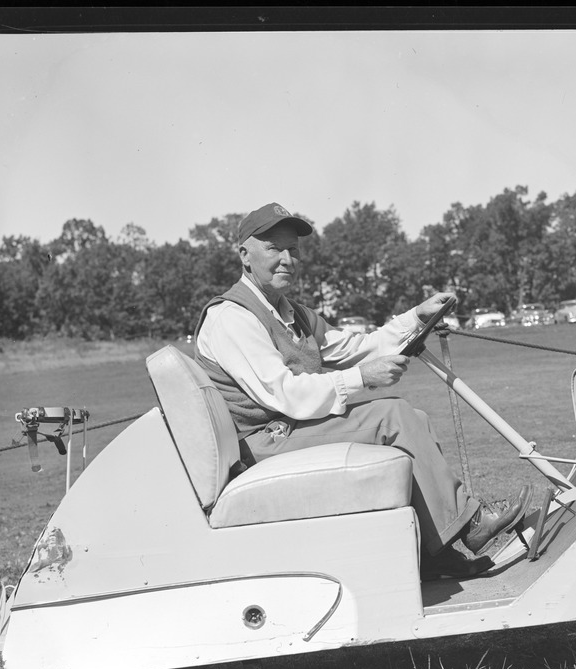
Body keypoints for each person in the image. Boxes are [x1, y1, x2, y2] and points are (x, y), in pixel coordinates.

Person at [193, 201, 531, 578]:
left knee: (413, 418)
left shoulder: (294, 313)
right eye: (274, 248)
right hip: (258, 444)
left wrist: (415, 316)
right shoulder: (232, 317)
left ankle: (432, 554)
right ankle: (471, 526)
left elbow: (357, 348)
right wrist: (363, 377)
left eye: (294, 250)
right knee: (392, 414)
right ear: (244, 254)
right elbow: (285, 393)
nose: (288, 259)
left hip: (286, 431)